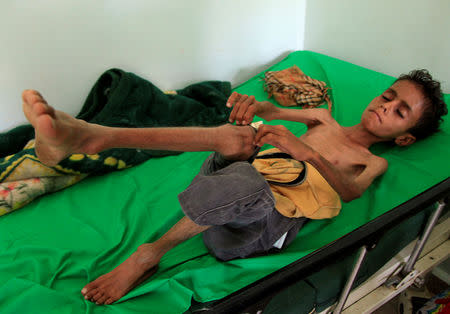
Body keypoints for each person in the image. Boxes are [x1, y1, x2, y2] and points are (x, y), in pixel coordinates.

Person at [21, 69, 446, 305]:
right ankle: (95, 137)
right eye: (388, 96)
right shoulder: (322, 117)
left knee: (246, 176)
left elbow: (352, 193)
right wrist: (255, 107)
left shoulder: (373, 160)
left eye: (400, 112)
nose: (385, 106)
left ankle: (149, 253)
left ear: (405, 137)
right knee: (237, 138)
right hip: (226, 188)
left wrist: (308, 155)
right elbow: (270, 108)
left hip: (263, 224)